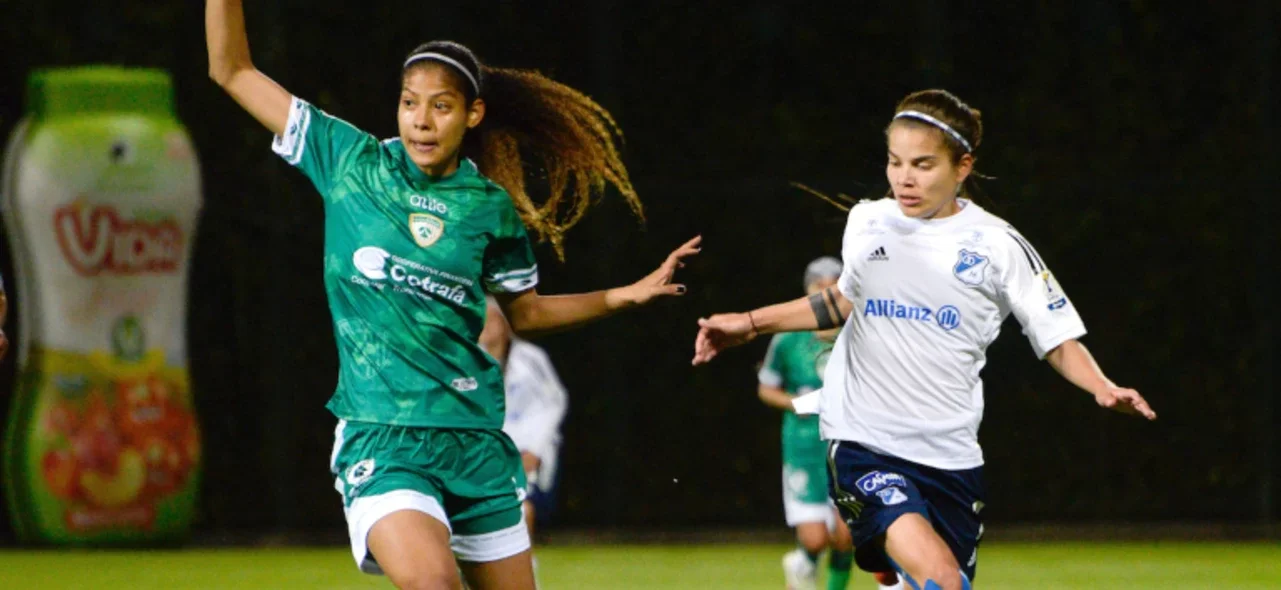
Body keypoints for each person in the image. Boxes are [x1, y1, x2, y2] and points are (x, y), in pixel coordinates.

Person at [206, 3, 699, 589]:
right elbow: (231, 69)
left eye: (440, 106)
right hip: (383, 436)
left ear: (472, 114)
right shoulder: (351, 163)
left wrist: (622, 297)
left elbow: (527, 313)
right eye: (410, 102)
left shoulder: (488, 207)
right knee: (432, 584)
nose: (421, 120)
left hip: (474, 444)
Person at [693, 89, 1156, 590]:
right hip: (862, 440)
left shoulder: (998, 245)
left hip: (951, 456)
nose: (904, 178)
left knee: (932, 583)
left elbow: (1057, 337)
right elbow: (843, 301)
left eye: (922, 164)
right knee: (942, 580)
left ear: (962, 167)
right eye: (895, 162)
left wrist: (1101, 386)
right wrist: (750, 322)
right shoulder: (868, 221)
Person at [760, 257, 900, 590]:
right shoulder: (788, 339)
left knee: (846, 534)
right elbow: (766, 387)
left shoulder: (861, 335)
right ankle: (802, 562)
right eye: (817, 286)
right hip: (804, 447)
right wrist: (797, 405)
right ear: (806, 290)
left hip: (849, 446)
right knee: (814, 539)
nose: (824, 293)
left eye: (832, 285)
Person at [478, 296, 568, 585]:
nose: (487, 328)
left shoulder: (530, 360)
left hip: (525, 454)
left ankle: (524, 572)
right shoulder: (465, 363)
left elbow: (554, 403)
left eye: (493, 319)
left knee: (522, 509)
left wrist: (536, 449)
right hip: (482, 457)